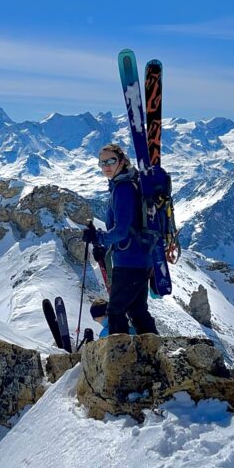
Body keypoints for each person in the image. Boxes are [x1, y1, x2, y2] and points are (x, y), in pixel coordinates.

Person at [82, 144, 158, 336]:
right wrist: (105, 246)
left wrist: (98, 237)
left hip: (129, 262)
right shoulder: (127, 184)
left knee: (115, 312)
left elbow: (122, 230)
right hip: (140, 258)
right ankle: (155, 352)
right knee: (137, 311)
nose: (106, 166)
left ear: (122, 161)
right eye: (102, 162)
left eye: (111, 161)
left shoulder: (123, 189)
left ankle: (120, 360)